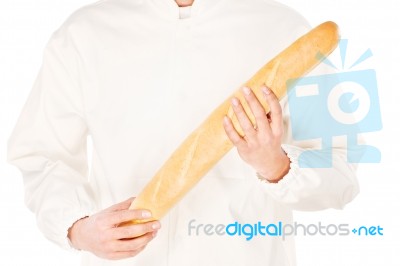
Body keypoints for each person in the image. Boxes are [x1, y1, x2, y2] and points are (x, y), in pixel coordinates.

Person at [7, 0, 359, 265]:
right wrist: (78, 228)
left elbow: (343, 170)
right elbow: (41, 155)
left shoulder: (285, 30)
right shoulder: (84, 34)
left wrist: (276, 165)